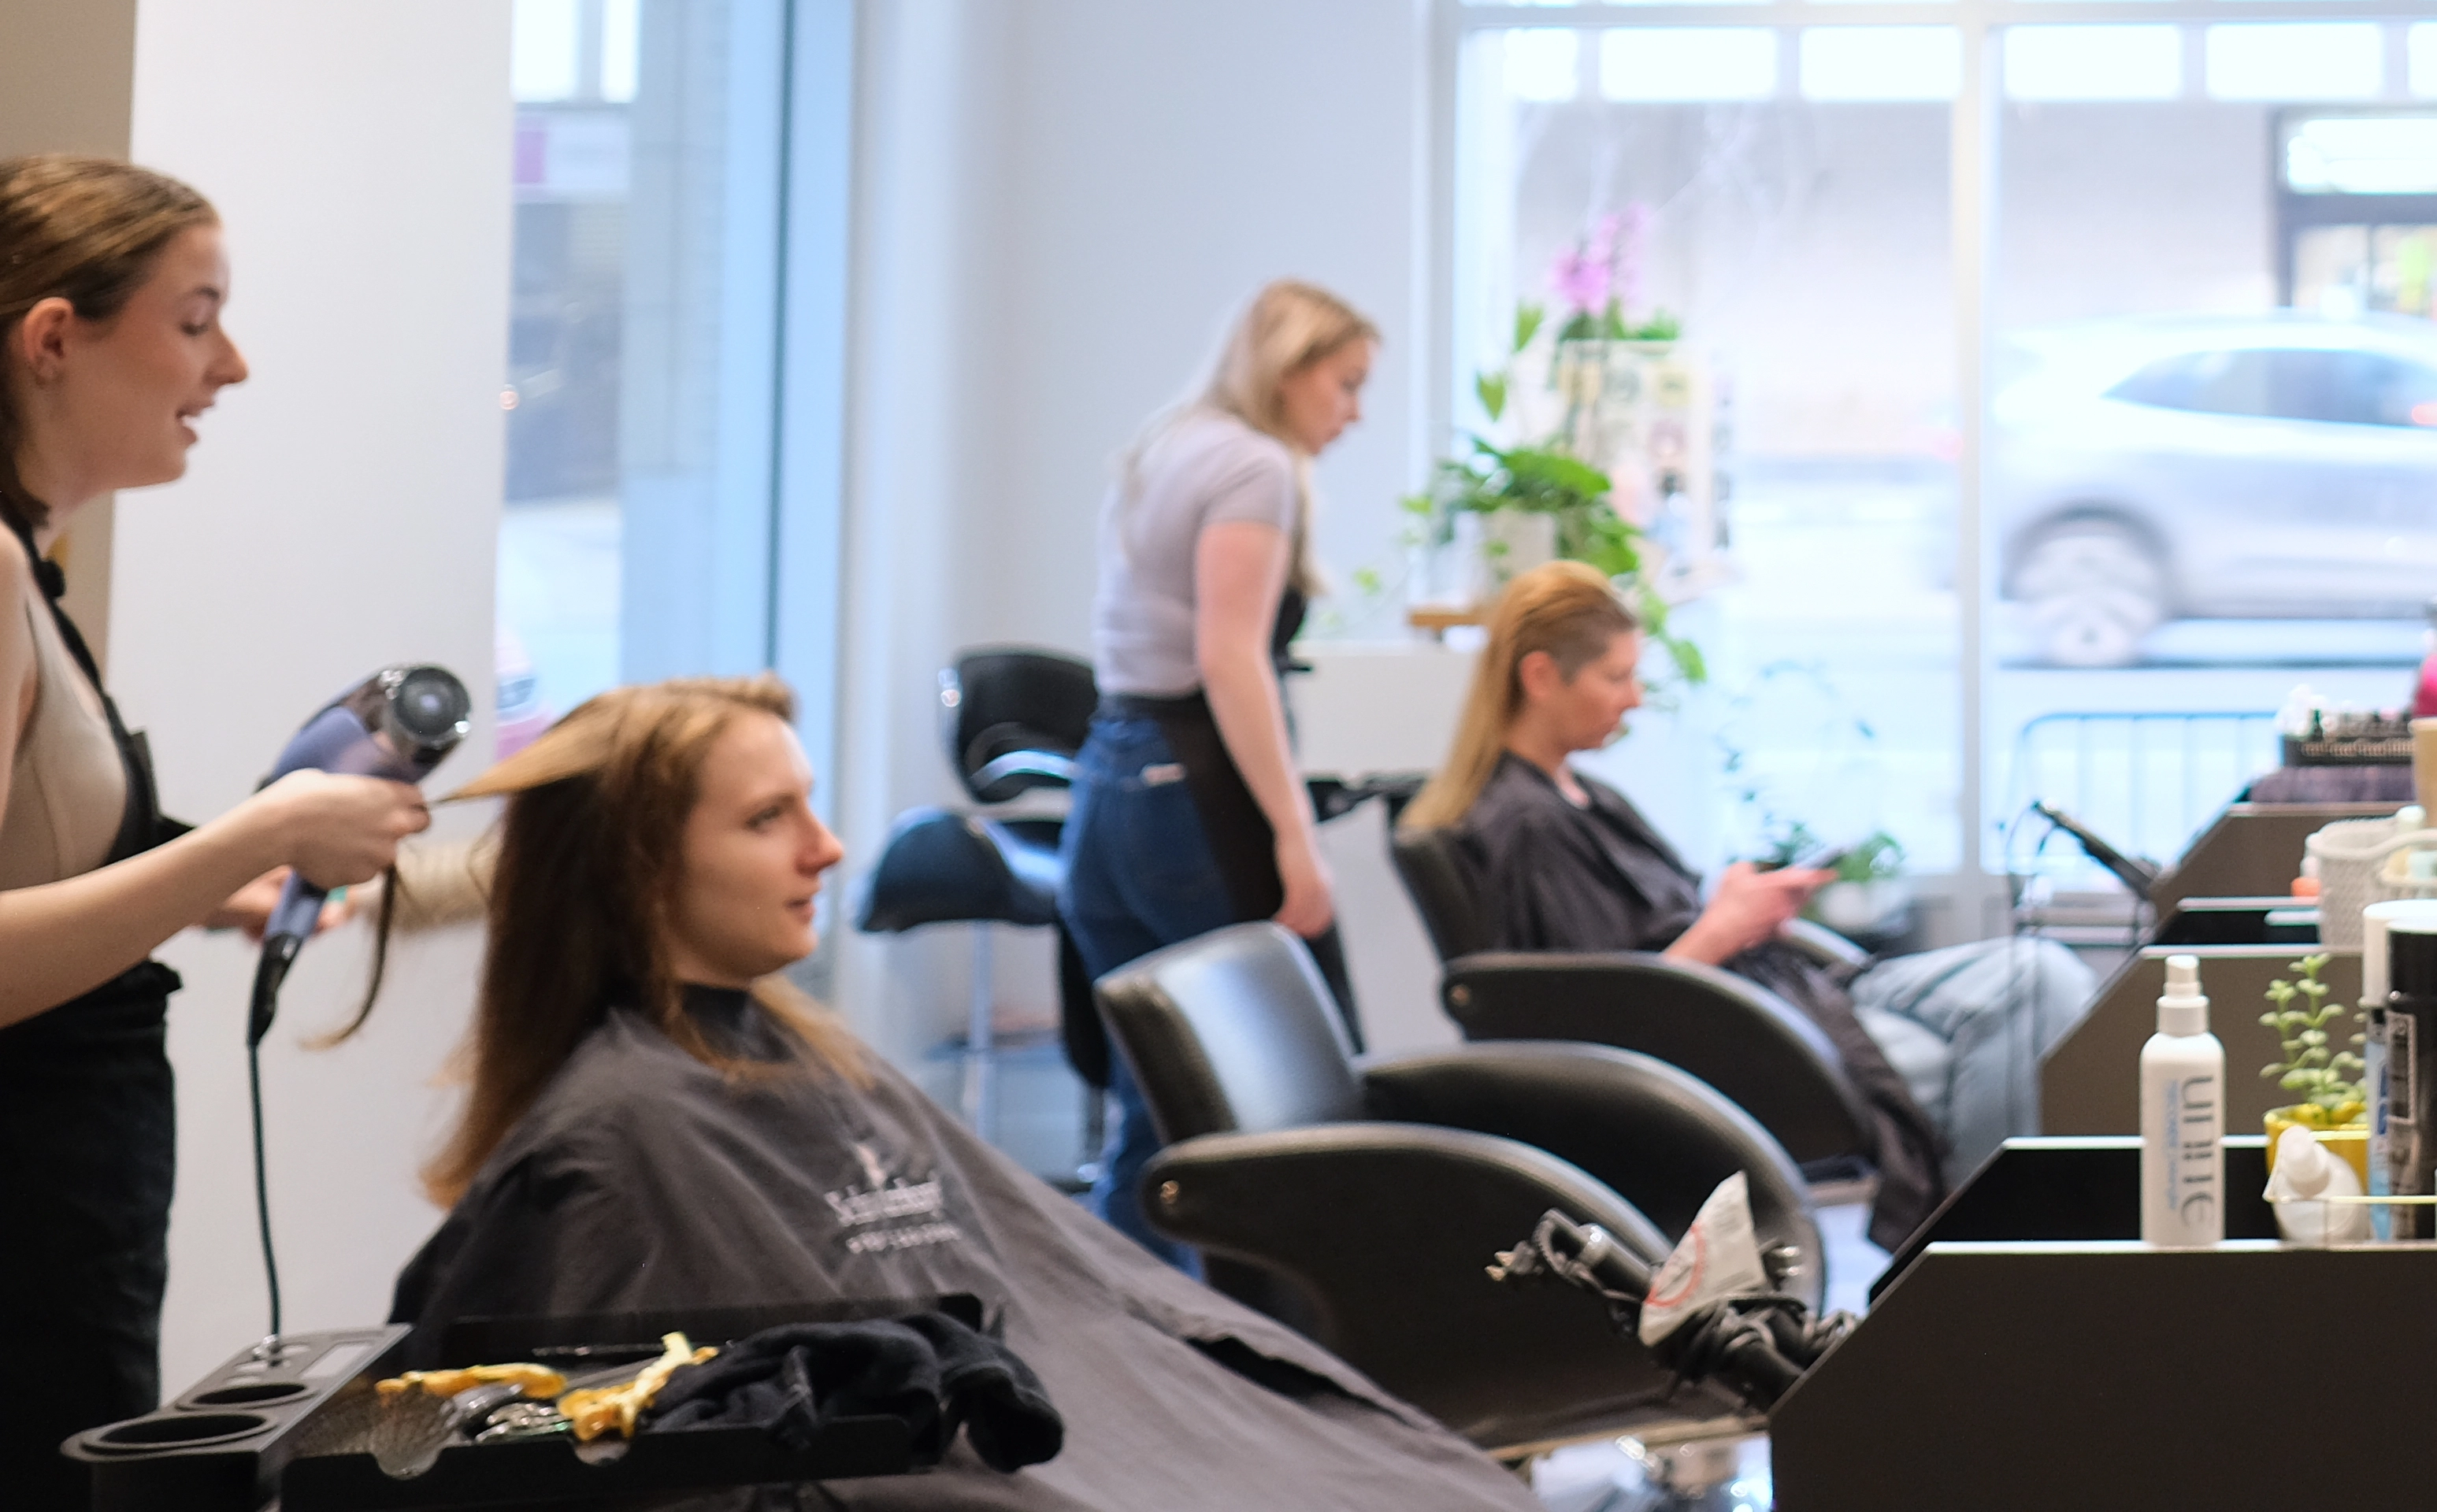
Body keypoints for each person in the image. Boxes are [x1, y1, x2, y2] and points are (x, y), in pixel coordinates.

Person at [388, 676, 1508, 1510]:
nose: (828, 849)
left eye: (811, 806)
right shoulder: (612, 1144)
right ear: (637, 868)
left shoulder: (817, 1062)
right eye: (768, 818)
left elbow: (1079, 1296)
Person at [0, 158, 429, 1505]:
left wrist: (216, 886)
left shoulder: (28, 566)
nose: (230, 366)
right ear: (56, 339)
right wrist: (262, 832)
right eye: (196, 320)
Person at [1406, 565, 2093, 1247]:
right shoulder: (1528, 827)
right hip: (1732, 1040)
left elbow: (1644, 939)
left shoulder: (1587, 798)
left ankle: (1980, 1261)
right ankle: (1975, 1268)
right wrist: (1724, 928)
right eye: (1616, 678)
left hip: (1775, 995)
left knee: (2037, 973)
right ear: (1539, 677)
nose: (1636, 698)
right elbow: (1600, 1010)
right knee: (2012, 1034)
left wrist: (1734, 908)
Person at [1063, 281, 1375, 1251]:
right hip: (1187, 794)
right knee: (1248, 1086)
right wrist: (1295, 836)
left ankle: (1125, 1336)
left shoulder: (1170, 441)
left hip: (1108, 781)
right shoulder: (1254, 466)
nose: (1354, 412)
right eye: (1347, 383)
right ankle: (1237, 1344)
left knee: (1153, 1097)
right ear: (1289, 373)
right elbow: (1230, 657)